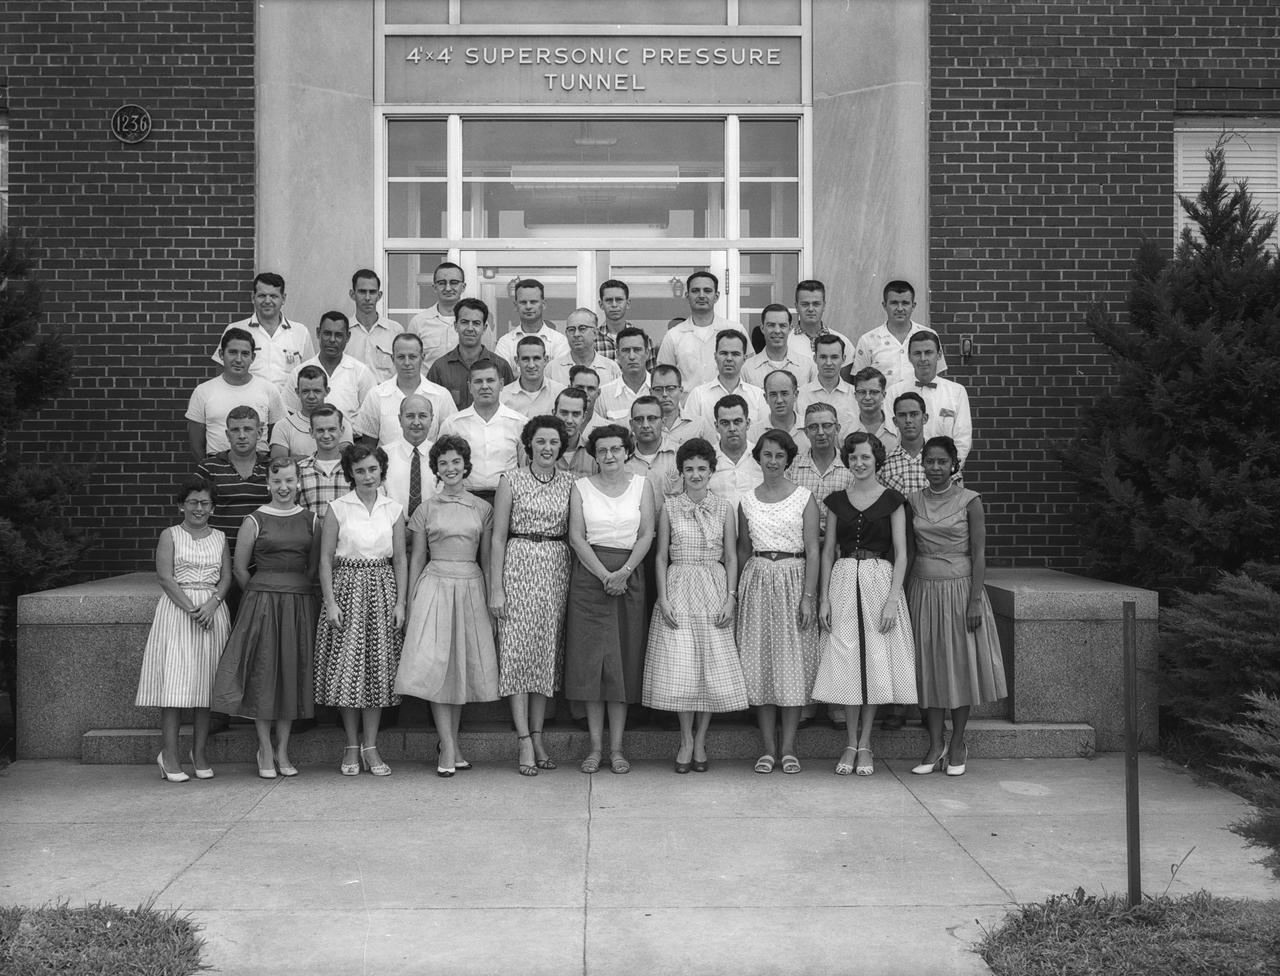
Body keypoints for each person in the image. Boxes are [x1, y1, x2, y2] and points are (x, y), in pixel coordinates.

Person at [814, 432, 916, 777]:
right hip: (844, 579)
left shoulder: (893, 500)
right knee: (846, 660)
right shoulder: (836, 501)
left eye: (866, 458)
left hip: (878, 580)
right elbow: (828, 552)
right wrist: (824, 598)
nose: (859, 464)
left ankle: (866, 743)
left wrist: (891, 600)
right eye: (854, 458)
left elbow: (901, 554)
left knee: (874, 660)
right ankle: (849, 740)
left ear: (877, 460)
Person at [643, 437, 748, 773]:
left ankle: (702, 738)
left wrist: (730, 597)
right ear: (681, 472)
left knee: (710, 668)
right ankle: (685, 738)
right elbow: (660, 556)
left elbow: (731, 557)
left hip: (713, 585)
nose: (696, 474)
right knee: (682, 666)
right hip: (679, 584)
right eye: (689, 469)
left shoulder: (724, 508)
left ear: (712, 471)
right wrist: (663, 597)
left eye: (702, 468)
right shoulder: (671, 507)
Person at [396, 435, 499, 776]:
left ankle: (450, 744)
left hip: (470, 586)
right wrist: (409, 602)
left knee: (460, 668)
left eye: (456, 462)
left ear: (466, 465)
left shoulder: (482, 509)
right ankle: (448, 747)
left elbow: (486, 560)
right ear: (435, 469)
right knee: (438, 666)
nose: (450, 468)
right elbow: (417, 557)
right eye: (443, 463)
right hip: (434, 585)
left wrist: (490, 597)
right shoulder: (426, 508)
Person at [212, 457, 320, 778]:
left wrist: (294, 589)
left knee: (291, 674)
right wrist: (260, 593)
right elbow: (240, 568)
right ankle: (264, 747)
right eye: (277, 482)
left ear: (298, 482)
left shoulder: (312, 520)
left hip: (298, 603)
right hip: (262, 603)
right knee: (264, 673)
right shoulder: (254, 520)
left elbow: (313, 568)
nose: (283, 487)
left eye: (289, 480)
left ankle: (283, 749)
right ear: (268, 484)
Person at [906, 436, 1007, 777]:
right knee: (930, 667)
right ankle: (936, 744)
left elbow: (978, 553)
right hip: (923, 589)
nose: (935, 468)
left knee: (959, 666)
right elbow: (909, 551)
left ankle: (959, 741)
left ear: (953, 464)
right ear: (922, 464)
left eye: (941, 462)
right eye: (929, 461)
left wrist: (976, 598)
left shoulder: (970, 500)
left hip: (961, 590)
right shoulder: (913, 501)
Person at [564, 424, 656, 775]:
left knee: (621, 663)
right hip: (591, 578)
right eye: (602, 450)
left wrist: (625, 572)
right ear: (594, 454)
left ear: (627, 450)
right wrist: (605, 575)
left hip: (629, 574)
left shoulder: (642, 486)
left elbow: (647, 531)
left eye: (616, 449)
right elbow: (576, 536)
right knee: (591, 665)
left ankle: (617, 749)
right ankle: (594, 747)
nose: (609, 456)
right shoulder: (581, 487)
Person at [489, 416, 576, 776]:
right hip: (519, 562)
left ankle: (539, 735)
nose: (546, 448)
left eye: (553, 442)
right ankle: (523, 738)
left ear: (561, 447)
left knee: (544, 655)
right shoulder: (511, 480)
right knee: (517, 652)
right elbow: (497, 537)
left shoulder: (571, 483)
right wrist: (496, 587)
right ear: (529, 444)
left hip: (555, 567)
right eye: (540, 441)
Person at [315, 445, 407, 777]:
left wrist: (401, 602)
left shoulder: (393, 509)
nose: (367, 476)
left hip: (382, 589)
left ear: (382, 470)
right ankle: (351, 743)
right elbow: (325, 559)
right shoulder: (338, 508)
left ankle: (371, 744)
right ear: (350, 474)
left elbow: (400, 559)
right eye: (360, 471)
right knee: (347, 670)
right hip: (346, 588)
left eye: (372, 469)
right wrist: (330, 602)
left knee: (377, 672)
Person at [136, 476, 232, 782]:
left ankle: (199, 753)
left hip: (212, 612)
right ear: (182, 505)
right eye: (193, 502)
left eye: (205, 503)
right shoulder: (171, 535)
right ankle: (170, 755)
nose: (199, 508)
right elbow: (165, 577)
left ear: (213, 508)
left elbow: (226, 579)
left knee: (206, 687)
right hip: (179, 612)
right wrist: (193, 609)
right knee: (175, 687)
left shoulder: (220, 537)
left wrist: (213, 604)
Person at [736, 429, 820, 775]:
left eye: (779, 456)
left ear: (788, 460)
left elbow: (814, 549)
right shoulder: (746, 499)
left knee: (791, 667)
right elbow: (742, 549)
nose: (772, 461)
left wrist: (809, 597)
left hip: (793, 578)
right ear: (759, 458)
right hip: (757, 579)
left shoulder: (804, 496)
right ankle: (768, 749)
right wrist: (738, 593)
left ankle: (788, 749)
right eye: (767, 455)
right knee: (763, 666)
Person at [787, 401, 854, 731]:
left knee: (837, 628)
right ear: (805, 431)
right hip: (804, 554)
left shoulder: (851, 467)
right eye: (813, 427)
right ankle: (807, 702)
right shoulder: (793, 469)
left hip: (842, 553)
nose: (821, 432)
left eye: (827, 425)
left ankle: (837, 701)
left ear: (838, 428)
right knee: (806, 626)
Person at [436, 359, 527, 504]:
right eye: (478, 381)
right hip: (464, 498)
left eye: (490, 380)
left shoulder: (519, 423)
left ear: (502, 384)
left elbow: (525, 467)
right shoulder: (453, 424)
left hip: (508, 498)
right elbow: (441, 466)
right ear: (469, 387)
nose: (484, 386)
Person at [187, 328, 284, 459]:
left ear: (253, 357)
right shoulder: (203, 392)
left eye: (245, 354)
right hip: (217, 468)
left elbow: (278, 438)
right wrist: (209, 471)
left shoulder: (269, 390)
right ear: (221, 354)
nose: (238, 359)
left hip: (260, 468)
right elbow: (196, 445)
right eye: (233, 352)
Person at [213, 272, 314, 392]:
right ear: (253, 297)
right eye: (262, 295)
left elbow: (311, 373)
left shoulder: (300, 332)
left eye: (273, 296)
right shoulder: (235, 330)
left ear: (283, 298)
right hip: (247, 405)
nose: (267, 301)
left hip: (289, 408)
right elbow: (221, 373)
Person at [884, 331, 972, 471]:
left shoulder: (957, 391)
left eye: (928, 352)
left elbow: (963, 439)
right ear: (909, 357)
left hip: (946, 474)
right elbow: (891, 436)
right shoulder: (894, 392)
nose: (923, 358)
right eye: (917, 353)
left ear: (939, 355)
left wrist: (950, 470)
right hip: (904, 472)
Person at [195, 406, 271, 565]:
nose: (242, 435)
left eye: (248, 429)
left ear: (259, 433)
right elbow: (195, 512)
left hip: (264, 560)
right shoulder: (208, 468)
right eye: (235, 430)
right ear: (227, 435)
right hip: (217, 558)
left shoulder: (272, 469)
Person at [354, 332, 456, 447]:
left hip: (429, 464)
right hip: (388, 464)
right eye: (401, 357)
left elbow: (450, 442)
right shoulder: (376, 395)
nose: (407, 363)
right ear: (393, 359)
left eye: (412, 357)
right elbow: (369, 445)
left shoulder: (441, 395)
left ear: (422, 358)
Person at [656, 271, 748, 390]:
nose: (701, 295)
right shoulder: (673, 335)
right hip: (687, 407)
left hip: (729, 405)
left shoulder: (736, 330)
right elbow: (664, 379)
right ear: (687, 296)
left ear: (717, 296)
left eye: (707, 291)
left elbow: (747, 372)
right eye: (695, 291)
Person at [850, 280, 947, 389]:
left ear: (913, 305)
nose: (900, 309)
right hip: (883, 405)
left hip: (922, 404)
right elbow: (859, 381)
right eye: (894, 303)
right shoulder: (868, 340)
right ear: (884, 305)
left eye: (905, 303)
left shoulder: (929, 336)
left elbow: (939, 375)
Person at [283, 311, 376, 421]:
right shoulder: (299, 372)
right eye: (327, 333)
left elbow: (371, 415)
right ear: (318, 333)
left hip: (351, 437)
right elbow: (289, 412)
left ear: (348, 337)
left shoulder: (361, 373)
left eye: (338, 335)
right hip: (308, 436)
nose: (332, 340)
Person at [426, 297, 515, 409]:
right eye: (464, 322)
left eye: (476, 323)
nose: (470, 328)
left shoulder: (501, 366)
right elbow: (430, 408)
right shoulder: (440, 368)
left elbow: (510, 406)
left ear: (484, 328)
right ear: (455, 326)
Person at [409, 262, 495, 369]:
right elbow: (410, 361)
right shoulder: (418, 322)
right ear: (434, 287)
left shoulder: (478, 324)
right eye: (442, 283)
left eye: (454, 282)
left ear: (463, 287)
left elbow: (489, 361)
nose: (448, 288)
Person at [681, 330, 768, 432]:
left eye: (735, 354)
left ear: (744, 359)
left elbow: (764, 434)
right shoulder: (698, 395)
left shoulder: (758, 396)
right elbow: (689, 434)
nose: (729, 359)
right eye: (724, 353)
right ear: (715, 356)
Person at [270, 365, 356, 459]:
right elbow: (278, 465)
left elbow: (345, 460)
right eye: (305, 391)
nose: (311, 396)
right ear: (297, 392)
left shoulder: (341, 423)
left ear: (327, 391)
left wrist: (299, 459)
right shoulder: (283, 426)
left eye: (317, 391)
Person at [493, 278, 570, 369]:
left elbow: (559, 376)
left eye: (533, 302)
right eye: (523, 302)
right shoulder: (505, 343)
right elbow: (503, 377)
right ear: (515, 306)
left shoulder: (559, 341)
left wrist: (516, 374)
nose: (528, 307)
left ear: (544, 304)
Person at [625, 395, 682, 508]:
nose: (645, 425)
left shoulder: (680, 455)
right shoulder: (622, 460)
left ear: (663, 422)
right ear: (631, 425)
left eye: (651, 419)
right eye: (639, 419)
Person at [382, 394, 435, 515]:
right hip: (393, 527)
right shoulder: (383, 456)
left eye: (422, 416)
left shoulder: (442, 456)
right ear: (400, 419)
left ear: (431, 419)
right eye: (410, 416)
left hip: (433, 528)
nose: (416, 422)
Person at [707, 394, 763, 508]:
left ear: (747, 423)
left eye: (737, 421)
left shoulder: (762, 457)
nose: (732, 428)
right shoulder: (705, 459)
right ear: (716, 426)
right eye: (725, 423)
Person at [795, 333, 857, 435]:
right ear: (815, 359)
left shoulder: (855, 395)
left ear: (844, 359)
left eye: (834, 357)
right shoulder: (800, 395)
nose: (828, 363)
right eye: (823, 357)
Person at [346, 269, 401, 382]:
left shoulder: (395, 331)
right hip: (351, 397)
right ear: (352, 294)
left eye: (372, 292)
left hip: (384, 397)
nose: (367, 298)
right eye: (362, 291)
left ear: (379, 295)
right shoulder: (342, 331)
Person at [296, 405, 349, 518]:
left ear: (342, 430)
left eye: (332, 429)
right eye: (320, 430)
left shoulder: (353, 468)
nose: (326, 435)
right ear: (311, 432)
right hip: (311, 535)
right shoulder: (299, 470)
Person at [744, 304, 815, 387]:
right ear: (762, 328)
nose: (777, 331)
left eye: (782, 326)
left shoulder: (807, 366)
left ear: (790, 328)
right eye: (771, 325)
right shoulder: (747, 368)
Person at [548, 308, 621, 385]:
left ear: (595, 333)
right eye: (571, 329)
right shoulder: (552, 369)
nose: (576, 334)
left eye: (582, 329)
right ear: (566, 333)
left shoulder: (611, 368)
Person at [597, 279, 658, 370]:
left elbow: (651, 378)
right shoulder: (592, 340)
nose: (614, 305)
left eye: (619, 300)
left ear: (628, 303)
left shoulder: (642, 339)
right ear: (601, 304)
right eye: (609, 300)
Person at [594, 328, 652, 421]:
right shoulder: (603, 395)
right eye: (626, 350)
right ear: (617, 354)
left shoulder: (660, 390)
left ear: (647, 353)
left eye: (637, 350)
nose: (632, 356)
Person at [501, 335, 566, 418]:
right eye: (525, 359)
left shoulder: (560, 393)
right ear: (517, 361)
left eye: (536, 358)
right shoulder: (502, 397)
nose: (531, 365)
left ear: (546, 360)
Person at [879, 392, 931, 495]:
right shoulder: (885, 464)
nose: (908, 420)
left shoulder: (940, 459)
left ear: (924, 418)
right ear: (895, 421)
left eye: (914, 414)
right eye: (902, 415)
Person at [749, 369, 808, 454]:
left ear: (795, 395)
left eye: (784, 394)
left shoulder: (811, 428)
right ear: (765, 398)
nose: (779, 400)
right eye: (773, 394)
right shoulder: (752, 435)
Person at [650, 364, 705, 446]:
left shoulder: (698, 425)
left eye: (670, 388)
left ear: (681, 390)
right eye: (658, 389)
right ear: (650, 392)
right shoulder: (644, 426)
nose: (664, 394)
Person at [850, 366, 899, 454]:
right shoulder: (845, 432)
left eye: (874, 392)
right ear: (855, 395)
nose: (867, 397)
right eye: (862, 392)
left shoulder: (898, 430)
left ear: (884, 395)